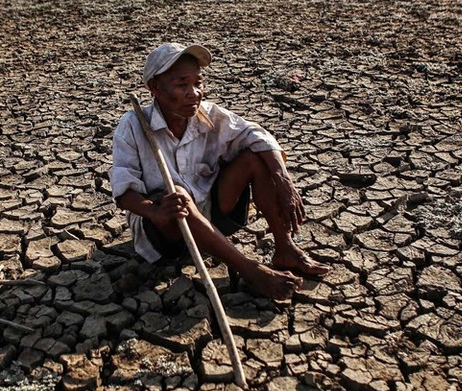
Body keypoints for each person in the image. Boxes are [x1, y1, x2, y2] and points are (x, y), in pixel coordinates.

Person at [110, 42, 329, 300]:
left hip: (212, 214)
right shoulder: (134, 125)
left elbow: (257, 135)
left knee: (256, 159)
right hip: (167, 231)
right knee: (178, 193)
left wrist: (283, 180)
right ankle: (250, 270)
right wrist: (153, 211)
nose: (194, 93)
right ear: (155, 88)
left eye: (198, 83)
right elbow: (124, 189)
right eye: (182, 85)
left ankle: (285, 247)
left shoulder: (209, 115)